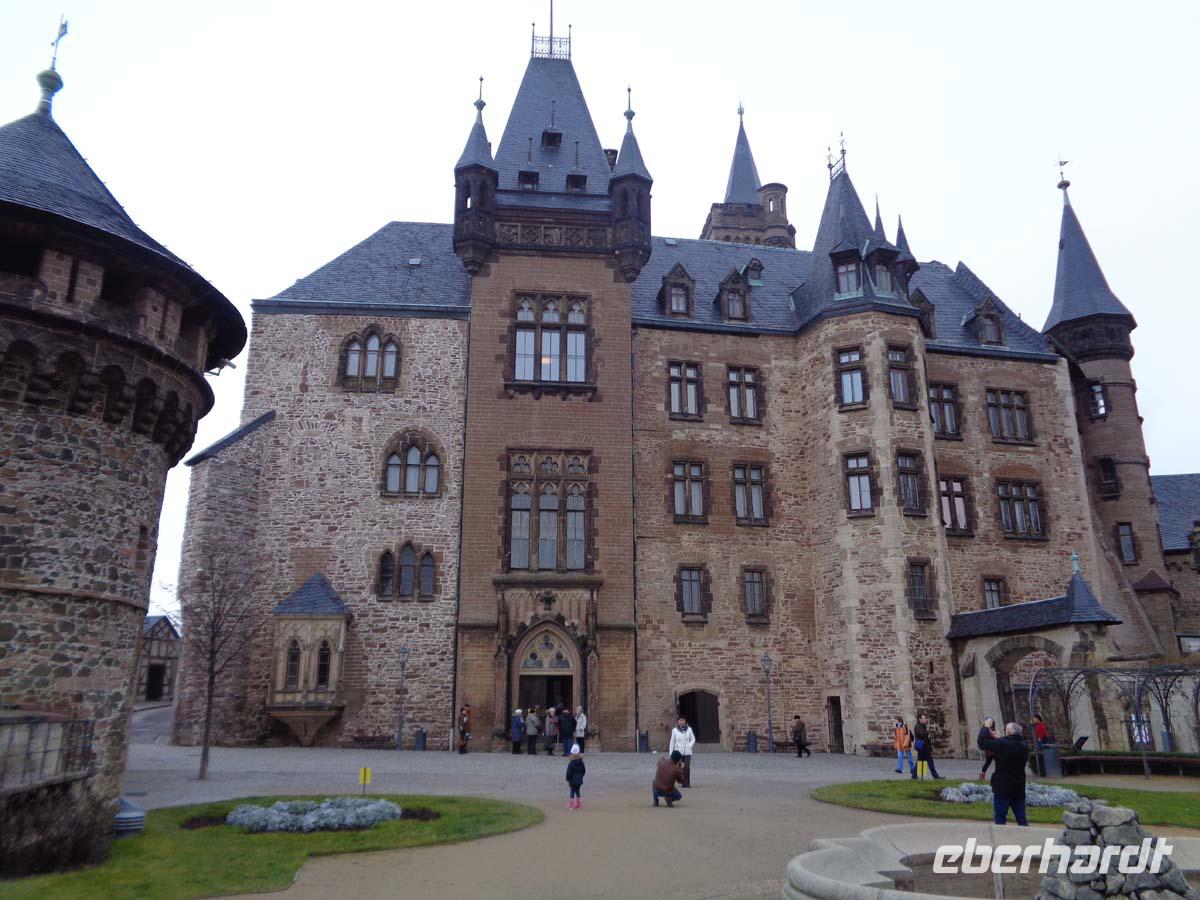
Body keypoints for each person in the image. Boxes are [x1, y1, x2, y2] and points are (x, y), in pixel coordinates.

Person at [978, 721, 1030, 826]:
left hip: (1003, 788)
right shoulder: (1024, 746)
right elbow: (1010, 743)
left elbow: (982, 742)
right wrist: (1000, 738)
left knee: (1000, 819)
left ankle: (1000, 839)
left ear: (1009, 732)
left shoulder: (1002, 744)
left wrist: (986, 727)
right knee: (1021, 819)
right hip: (1018, 788)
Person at [913, 714, 945, 780]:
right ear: (920, 719)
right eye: (924, 718)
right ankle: (935, 776)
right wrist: (928, 734)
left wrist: (927, 734)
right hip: (923, 747)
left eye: (925, 718)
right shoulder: (918, 726)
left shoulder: (922, 726)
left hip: (924, 747)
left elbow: (924, 734)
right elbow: (921, 734)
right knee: (929, 762)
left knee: (920, 761)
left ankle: (915, 775)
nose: (925, 720)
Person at [668, 717, 696, 787]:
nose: (682, 722)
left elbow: (693, 739)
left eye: (683, 720)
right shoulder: (674, 730)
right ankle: (681, 782)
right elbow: (672, 742)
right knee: (680, 768)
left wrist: (690, 745)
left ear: (685, 721)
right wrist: (671, 753)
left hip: (687, 752)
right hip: (678, 753)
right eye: (680, 720)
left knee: (686, 767)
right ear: (678, 722)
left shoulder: (689, 729)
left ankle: (687, 783)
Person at [565, 744, 586, 810]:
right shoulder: (581, 762)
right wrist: (581, 776)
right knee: (577, 791)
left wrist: (567, 778)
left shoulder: (571, 763)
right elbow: (583, 770)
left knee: (572, 791)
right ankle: (579, 804)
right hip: (579, 779)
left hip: (572, 780)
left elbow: (569, 772)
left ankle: (571, 805)